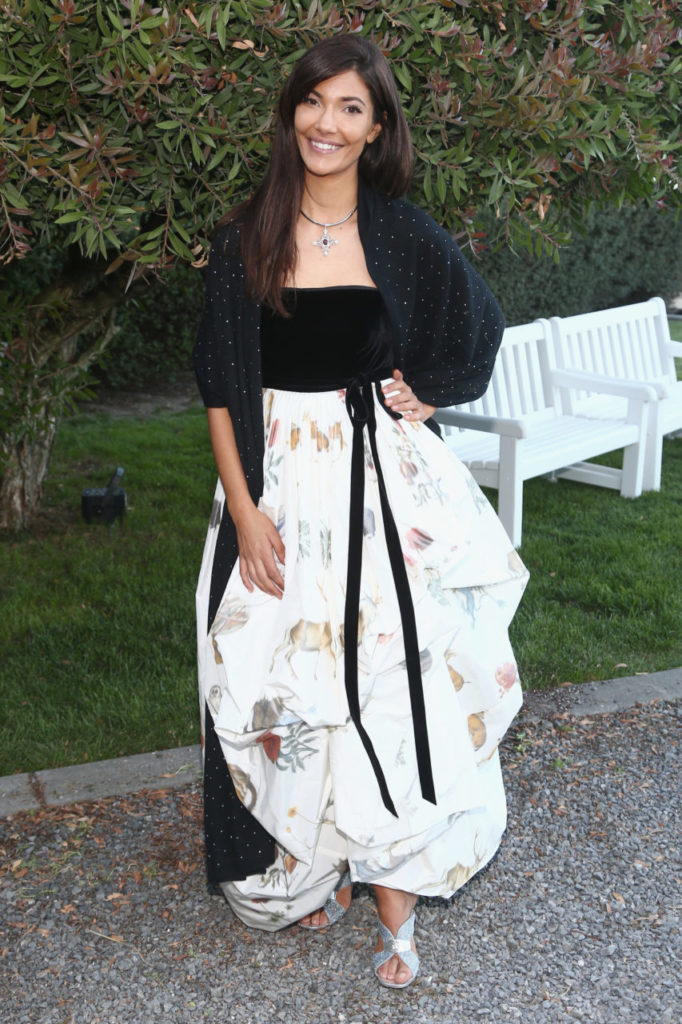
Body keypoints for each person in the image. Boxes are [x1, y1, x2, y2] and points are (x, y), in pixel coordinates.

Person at [193, 34, 528, 990]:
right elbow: (220, 385)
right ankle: (315, 852)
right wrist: (248, 513)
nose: (326, 124)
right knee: (278, 673)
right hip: (280, 491)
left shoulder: (405, 233)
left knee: (394, 679)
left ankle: (398, 901)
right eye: (313, 102)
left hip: (383, 492)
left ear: (376, 127)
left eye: (350, 108)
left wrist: (428, 387)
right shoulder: (247, 232)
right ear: (290, 112)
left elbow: (480, 323)